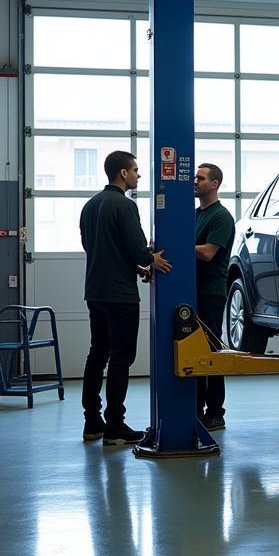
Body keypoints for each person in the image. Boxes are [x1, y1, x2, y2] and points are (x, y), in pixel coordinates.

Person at [80, 150, 172, 445]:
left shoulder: (90, 205)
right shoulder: (125, 205)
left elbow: (95, 246)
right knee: (121, 359)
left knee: (97, 354)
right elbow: (135, 247)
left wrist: (135, 266)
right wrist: (150, 260)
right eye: (135, 170)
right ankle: (115, 426)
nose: (138, 175)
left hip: (95, 291)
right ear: (123, 173)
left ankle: (92, 421)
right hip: (120, 295)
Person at [194, 163, 236, 432]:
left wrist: (177, 243)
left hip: (210, 292)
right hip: (192, 291)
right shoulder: (195, 214)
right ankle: (195, 407)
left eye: (200, 178)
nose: (195, 182)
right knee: (193, 352)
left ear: (215, 184)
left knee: (211, 349)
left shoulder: (221, 217)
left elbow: (208, 252)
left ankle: (215, 411)